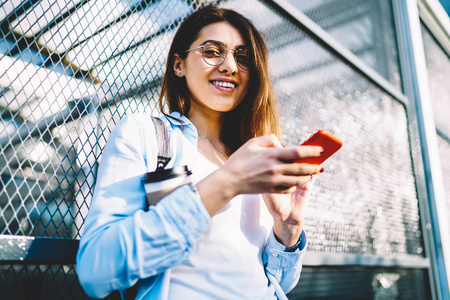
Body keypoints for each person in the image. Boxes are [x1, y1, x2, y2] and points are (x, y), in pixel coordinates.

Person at [76, 5, 324, 300]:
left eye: (242, 57)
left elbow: (277, 284)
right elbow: (95, 271)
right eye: (212, 51)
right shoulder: (145, 134)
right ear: (178, 64)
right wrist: (225, 183)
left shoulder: (255, 157)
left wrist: (288, 229)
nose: (230, 66)